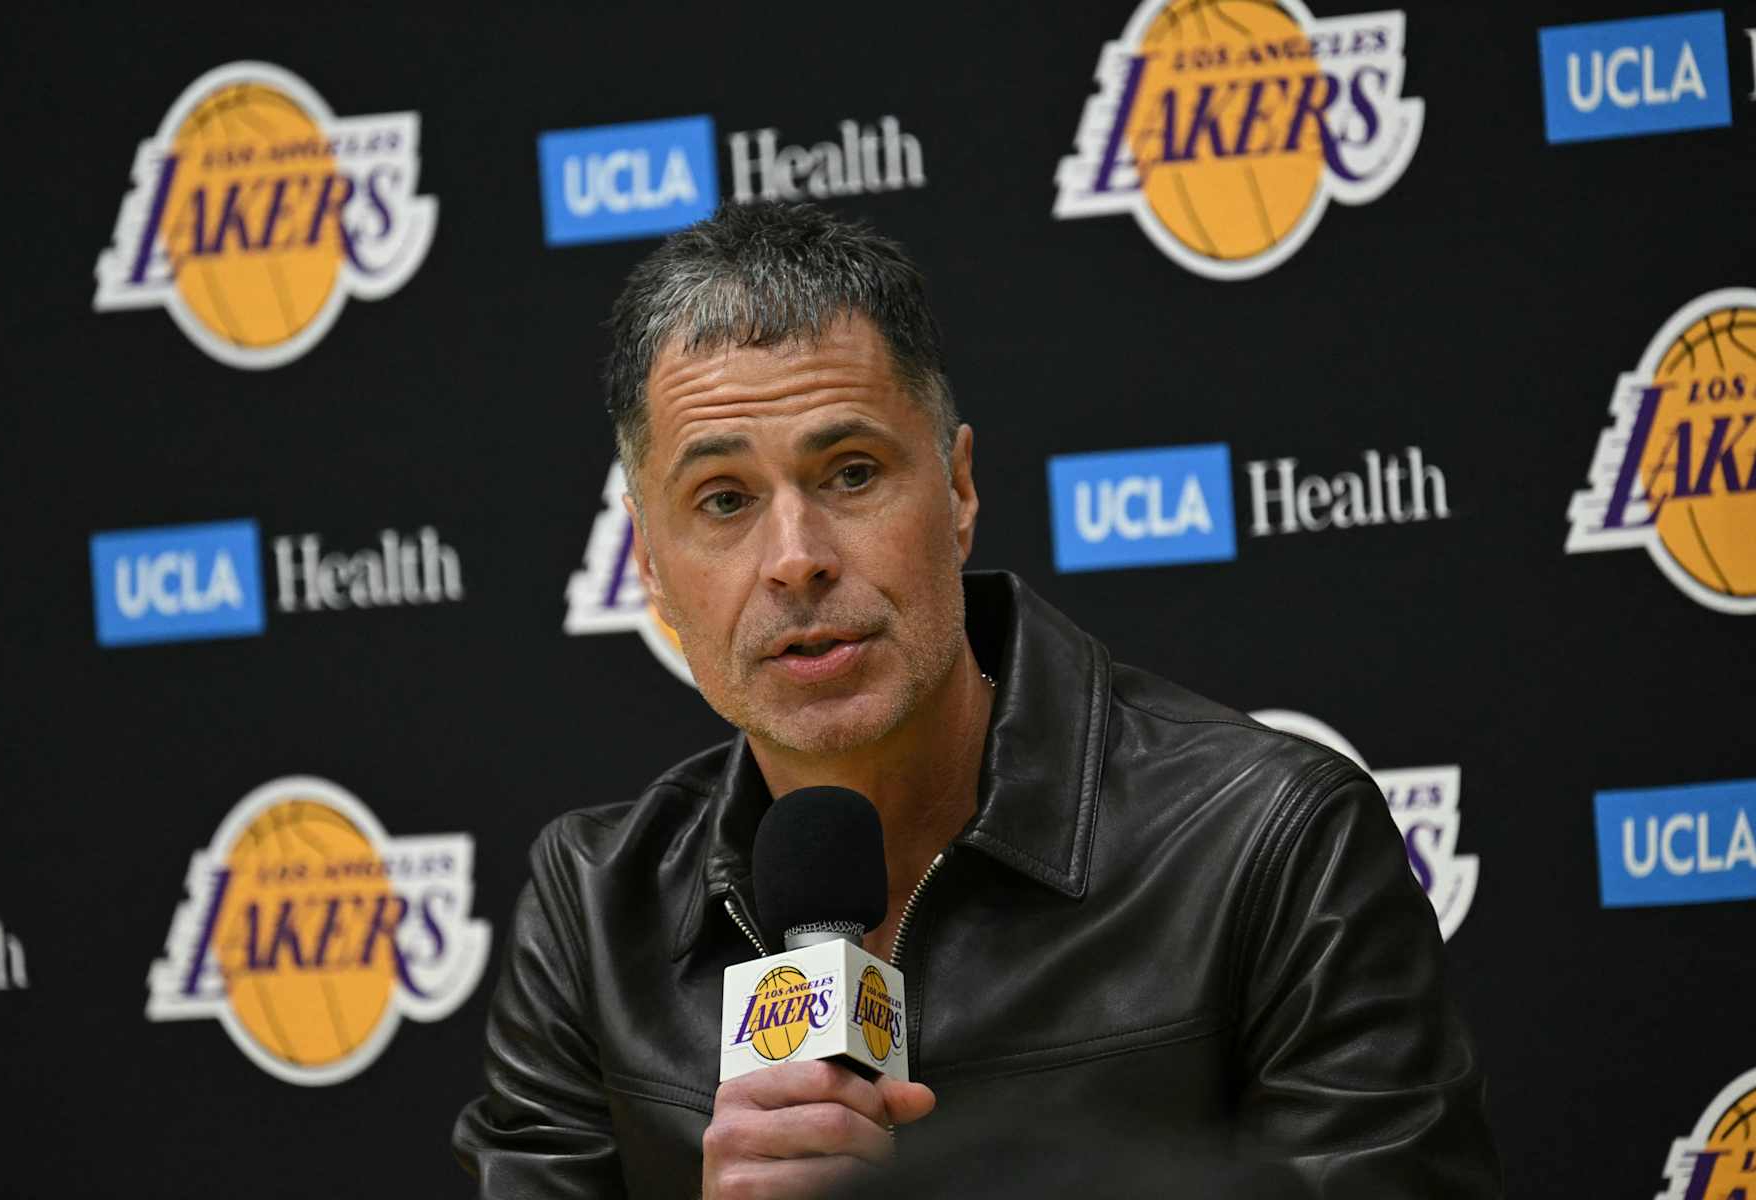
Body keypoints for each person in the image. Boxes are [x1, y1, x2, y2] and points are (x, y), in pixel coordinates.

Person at [452, 201, 1501, 1198]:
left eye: (852, 473)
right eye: (723, 502)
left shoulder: (1269, 843)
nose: (796, 560)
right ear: (649, 568)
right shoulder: (594, 907)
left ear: (957, 492)